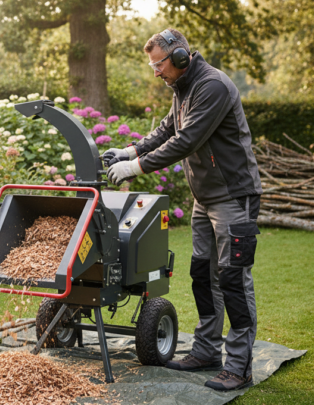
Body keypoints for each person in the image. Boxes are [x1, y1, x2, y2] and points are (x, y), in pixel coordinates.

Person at [102, 28, 262, 391]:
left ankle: (239, 367)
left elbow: (187, 140)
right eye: (152, 65)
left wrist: (135, 168)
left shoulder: (213, 86)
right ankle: (207, 351)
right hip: (205, 200)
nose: (155, 72)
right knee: (202, 276)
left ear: (179, 58)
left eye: (158, 64)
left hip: (234, 197)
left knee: (233, 280)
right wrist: (130, 151)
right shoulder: (183, 89)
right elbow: (166, 130)